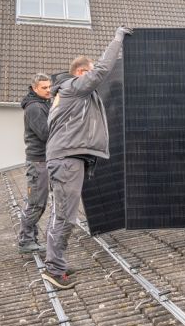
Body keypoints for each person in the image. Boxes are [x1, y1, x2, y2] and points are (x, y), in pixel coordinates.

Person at [41, 27, 131, 289]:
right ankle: (54, 270)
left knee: (61, 213)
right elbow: (102, 70)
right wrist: (117, 40)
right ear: (81, 73)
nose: (96, 78)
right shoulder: (73, 87)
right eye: (90, 72)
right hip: (66, 160)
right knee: (66, 217)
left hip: (67, 158)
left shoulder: (71, 96)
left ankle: (55, 261)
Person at [17, 73, 52, 253]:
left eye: (49, 87)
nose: (48, 90)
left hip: (43, 160)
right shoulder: (35, 108)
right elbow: (46, 134)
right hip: (38, 161)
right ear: (35, 88)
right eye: (44, 88)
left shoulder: (43, 104)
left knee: (37, 201)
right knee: (37, 203)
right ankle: (25, 240)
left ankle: (31, 237)